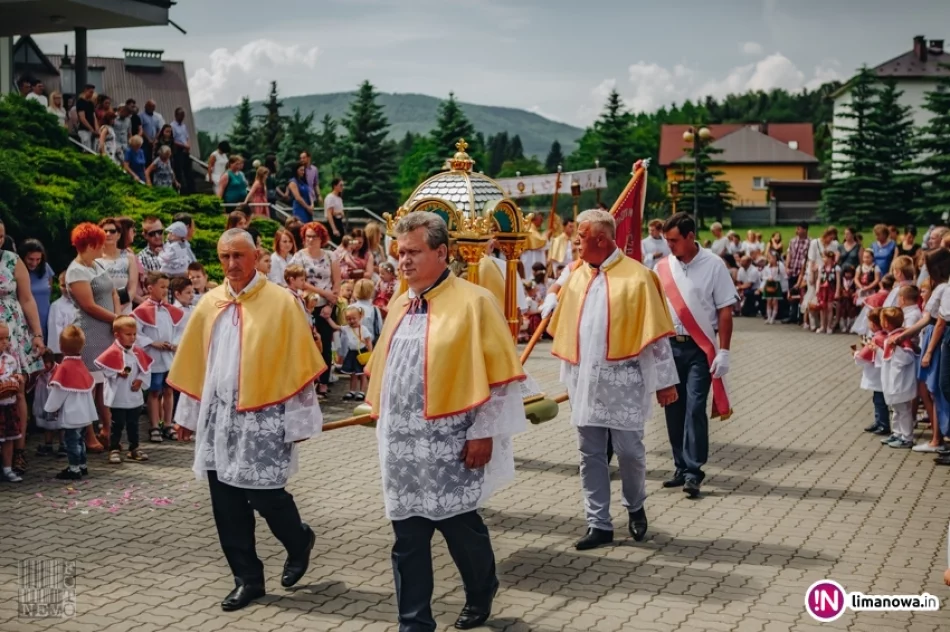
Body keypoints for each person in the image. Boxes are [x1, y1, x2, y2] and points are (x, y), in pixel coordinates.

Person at [364, 212, 526, 632]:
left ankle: (481, 588)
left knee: (460, 529)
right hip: (402, 445)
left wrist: (483, 433)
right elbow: (388, 368)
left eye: (414, 252)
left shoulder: (474, 301)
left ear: (442, 252)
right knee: (408, 537)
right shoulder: (400, 303)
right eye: (400, 252)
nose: (404, 261)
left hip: (451, 443)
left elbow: (499, 380)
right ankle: (415, 622)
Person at [169, 229, 325, 612]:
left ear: (256, 256)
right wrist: (187, 415)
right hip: (218, 418)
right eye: (224, 257)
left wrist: (301, 421)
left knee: (266, 494)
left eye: (239, 256)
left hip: (265, 416)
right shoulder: (210, 303)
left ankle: (298, 539)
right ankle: (247, 579)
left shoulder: (281, 302)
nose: (232, 264)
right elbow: (197, 365)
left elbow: (297, 362)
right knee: (226, 502)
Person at [544, 209, 678, 550]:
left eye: (581, 238)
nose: (575, 243)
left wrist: (664, 381)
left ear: (601, 240)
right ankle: (598, 523)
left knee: (629, 451)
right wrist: (548, 300)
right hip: (584, 381)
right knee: (589, 453)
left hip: (624, 383)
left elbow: (656, 336)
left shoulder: (638, 277)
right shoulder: (577, 274)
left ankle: (634, 504)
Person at [655, 212, 736, 498]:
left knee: (695, 408)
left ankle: (694, 471)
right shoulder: (661, 267)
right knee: (673, 408)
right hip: (668, 347)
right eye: (667, 241)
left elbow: (725, 309)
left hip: (699, 348)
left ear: (691, 237)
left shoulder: (714, 265)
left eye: (674, 240)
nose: (670, 247)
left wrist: (724, 351)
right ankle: (680, 467)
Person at [291, 223, 341, 398]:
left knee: (325, 344)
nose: (310, 240)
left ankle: (324, 381)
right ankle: (309, 380)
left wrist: (330, 304)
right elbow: (300, 281)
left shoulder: (330, 256)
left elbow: (337, 282)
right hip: (306, 305)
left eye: (314, 236)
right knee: (308, 343)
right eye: (308, 236)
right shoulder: (299, 257)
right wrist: (323, 292)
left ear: (322, 239)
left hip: (325, 307)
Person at [133, 272, 184, 443]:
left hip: (168, 358)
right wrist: (151, 342)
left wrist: (174, 343)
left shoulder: (171, 311)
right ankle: (154, 425)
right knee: (154, 391)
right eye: (162, 287)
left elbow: (179, 330)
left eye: (166, 287)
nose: (165, 290)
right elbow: (136, 333)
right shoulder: (140, 311)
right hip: (153, 358)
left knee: (168, 390)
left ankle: (168, 424)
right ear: (150, 288)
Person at [95, 316, 152, 464]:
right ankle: (114, 448)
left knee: (134, 424)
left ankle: (134, 448)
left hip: (133, 396)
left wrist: (140, 380)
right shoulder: (112, 352)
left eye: (134, 334)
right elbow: (105, 369)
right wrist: (116, 373)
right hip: (119, 396)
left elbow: (145, 369)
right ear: (117, 335)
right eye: (128, 334)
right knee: (117, 423)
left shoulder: (137, 352)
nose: (132, 338)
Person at [45, 325, 98, 480]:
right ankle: (82, 465)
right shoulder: (82, 366)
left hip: (72, 414)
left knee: (71, 442)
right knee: (80, 440)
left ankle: (74, 469)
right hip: (84, 413)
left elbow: (58, 391)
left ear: (61, 347)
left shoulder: (64, 368)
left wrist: (50, 408)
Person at [878, 307, 918, 449]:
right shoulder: (891, 337)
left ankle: (907, 437)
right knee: (896, 408)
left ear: (887, 323)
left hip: (900, 380)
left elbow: (907, 358)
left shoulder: (900, 338)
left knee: (904, 409)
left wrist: (896, 348)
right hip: (892, 379)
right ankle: (897, 433)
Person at [855, 308, 889, 436]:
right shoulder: (884, 336)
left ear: (874, 324)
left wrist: (856, 353)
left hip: (877, 374)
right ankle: (878, 421)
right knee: (877, 399)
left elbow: (862, 357)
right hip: (880, 373)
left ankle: (883, 423)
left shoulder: (877, 338)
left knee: (879, 400)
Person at [97, 217, 139, 314]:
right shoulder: (95, 258)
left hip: (124, 312)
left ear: (119, 235)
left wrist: (119, 308)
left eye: (112, 231)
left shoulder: (129, 258)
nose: (108, 234)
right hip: (101, 311)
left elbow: (132, 288)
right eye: (105, 231)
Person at [0, 323, 24, 482]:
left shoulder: (10, 359)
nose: (4, 341)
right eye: (0, 338)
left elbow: (15, 375)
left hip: (8, 403)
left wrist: (18, 378)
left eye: (6, 338)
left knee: (9, 438)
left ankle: (8, 468)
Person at [20, 239, 54, 344]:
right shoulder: (18, 271)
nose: (34, 263)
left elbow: (50, 289)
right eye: (30, 259)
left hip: (46, 318)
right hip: (25, 320)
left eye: (38, 259)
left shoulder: (46, 268)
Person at [337, 305, 372, 401]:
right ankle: (352, 391)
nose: (351, 321)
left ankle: (362, 391)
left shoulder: (363, 329)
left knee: (362, 374)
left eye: (354, 318)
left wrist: (371, 353)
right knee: (352, 373)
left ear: (360, 317)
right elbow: (336, 327)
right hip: (351, 353)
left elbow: (368, 341)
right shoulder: (347, 328)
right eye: (348, 319)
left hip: (362, 353)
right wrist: (327, 319)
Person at [759, 250, 788, 325]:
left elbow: (784, 276)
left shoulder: (779, 266)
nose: (771, 260)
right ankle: (768, 317)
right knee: (768, 301)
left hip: (776, 284)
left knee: (775, 302)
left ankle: (773, 318)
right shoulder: (767, 267)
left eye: (773, 258)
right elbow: (763, 276)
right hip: (769, 284)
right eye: (769, 258)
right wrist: (768, 278)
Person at [816, 251, 841, 335]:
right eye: (823, 257)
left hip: (831, 289)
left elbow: (838, 281)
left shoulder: (836, 268)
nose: (824, 259)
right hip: (822, 290)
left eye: (825, 257)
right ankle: (822, 325)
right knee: (822, 307)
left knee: (830, 308)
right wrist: (817, 288)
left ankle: (829, 326)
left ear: (830, 258)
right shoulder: (821, 267)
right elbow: (819, 279)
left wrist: (837, 291)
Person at [76, 84, 97, 150]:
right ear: (85, 91)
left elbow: (94, 117)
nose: (91, 94)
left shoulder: (91, 103)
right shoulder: (80, 102)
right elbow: (82, 118)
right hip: (84, 130)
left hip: (92, 130)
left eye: (92, 93)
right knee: (86, 148)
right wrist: (91, 129)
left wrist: (96, 129)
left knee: (94, 148)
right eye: (90, 92)